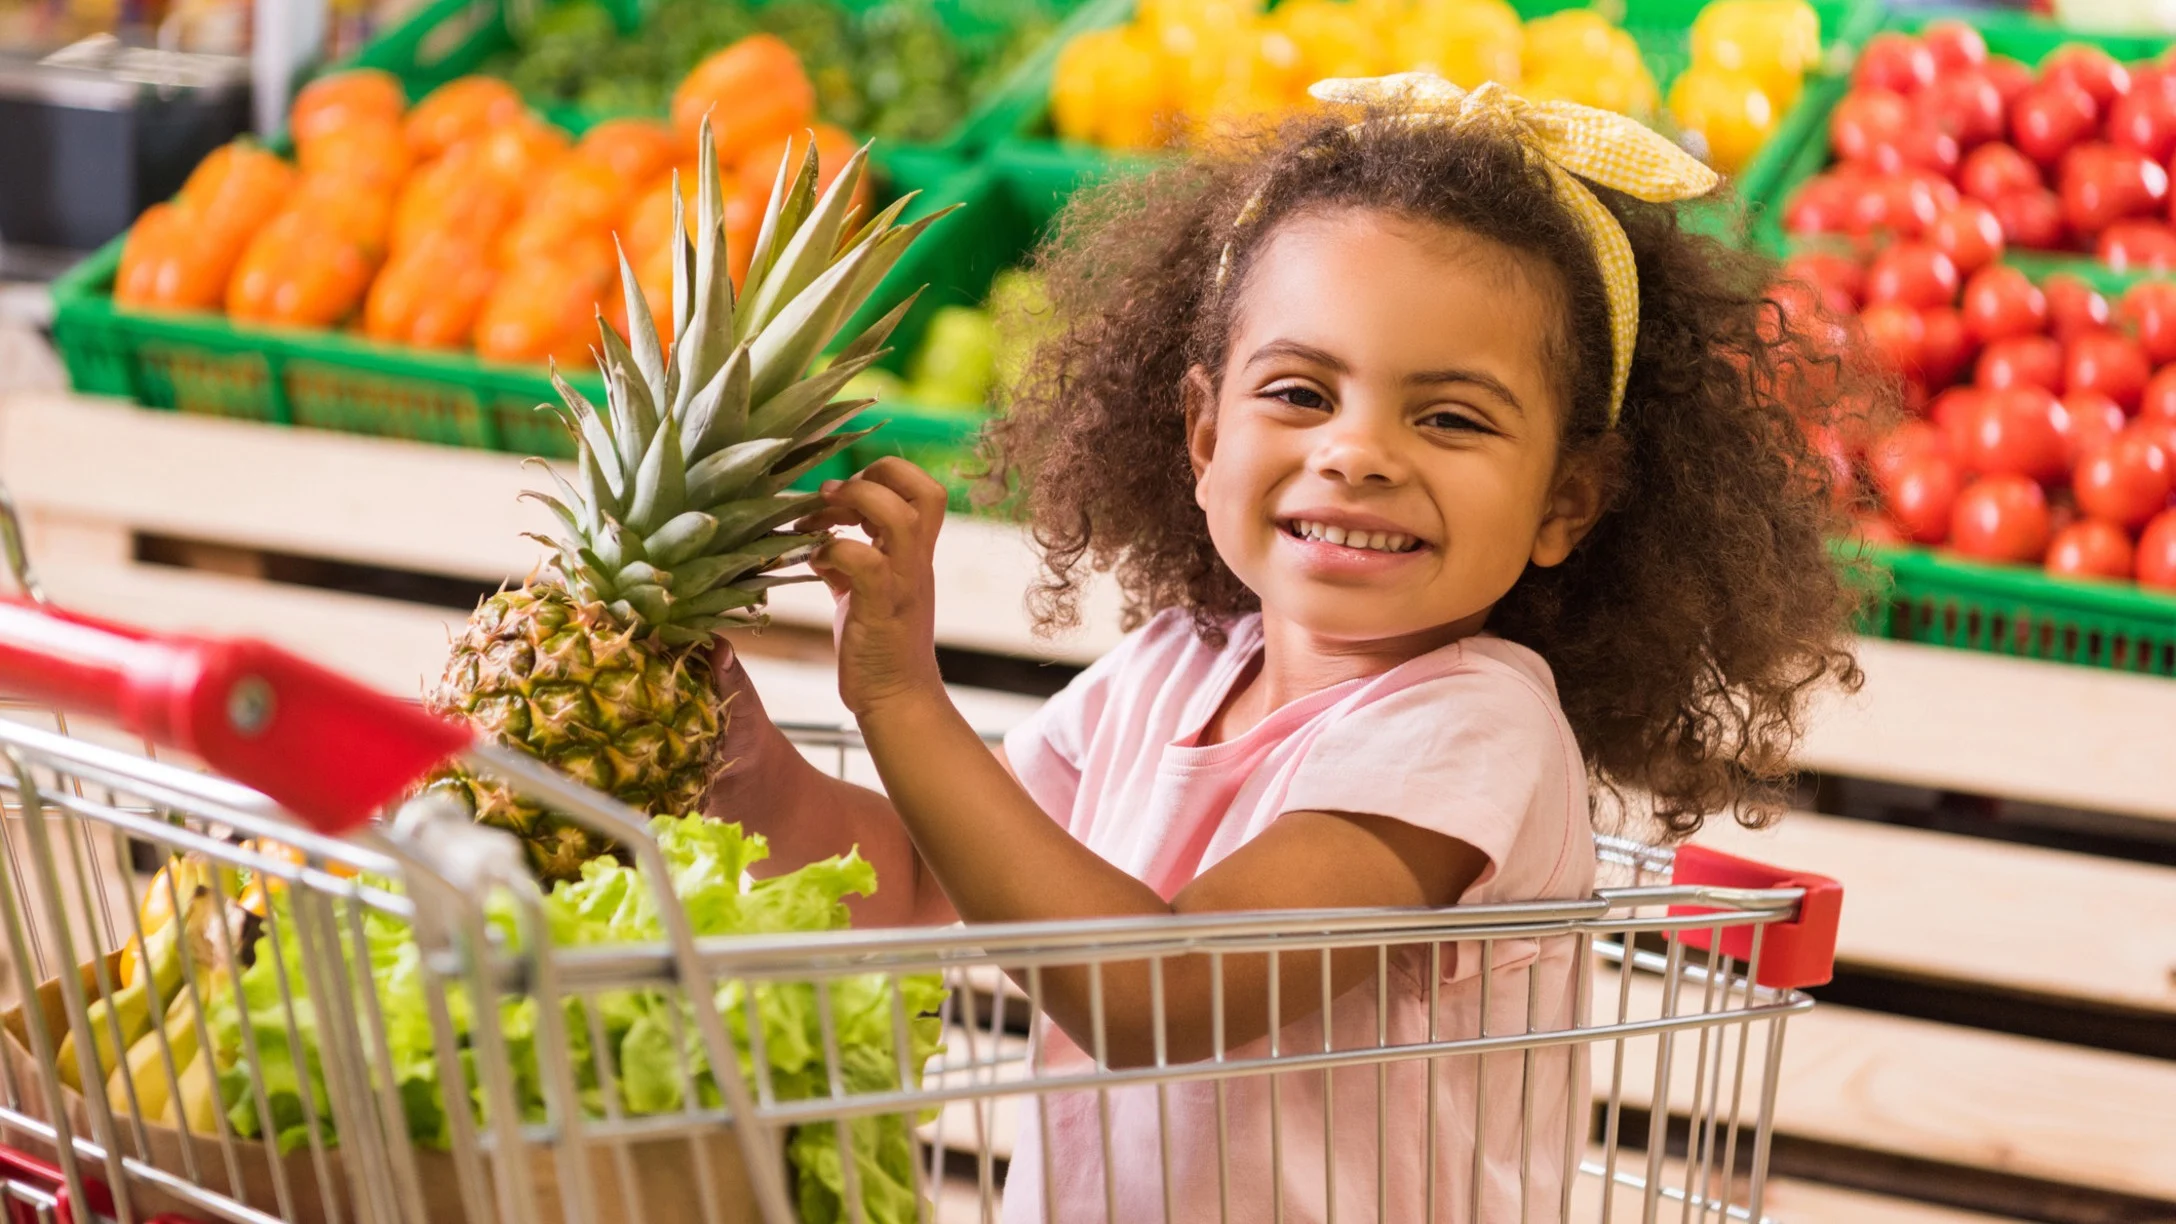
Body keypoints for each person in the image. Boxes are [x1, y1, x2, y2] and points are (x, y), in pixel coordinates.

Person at [708, 75, 1873, 1224]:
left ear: (1566, 501)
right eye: (1301, 392)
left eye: (1450, 417)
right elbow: (905, 878)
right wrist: (734, 742)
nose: (1357, 452)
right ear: (1205, 435)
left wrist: (904, 701)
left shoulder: (1474, 731)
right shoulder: (1167, 671)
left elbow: (1156, 995)